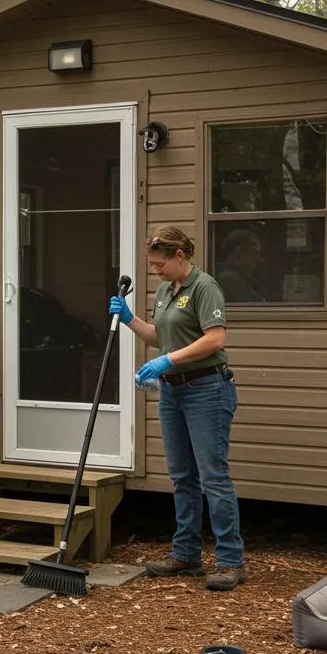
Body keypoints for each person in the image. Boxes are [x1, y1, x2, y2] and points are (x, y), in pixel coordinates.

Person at [109, 225, 246, 591]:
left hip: (207, 389)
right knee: (183, 476)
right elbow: (160, 336)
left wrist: (166, 361)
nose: (156, 270)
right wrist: (129, 319)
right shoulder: (166, 291)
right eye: (152, 265)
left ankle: (231, 561)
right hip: (173, 392)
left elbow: (215, 338)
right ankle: (186, 555)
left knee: (213, 475)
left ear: (180, 256)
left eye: (160, 264)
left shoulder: (205, 287)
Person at [215, 228, 266, 302]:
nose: (257, 259)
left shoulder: (242, 278)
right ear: (238, 252)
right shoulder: (230, 280)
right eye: (253, 254)